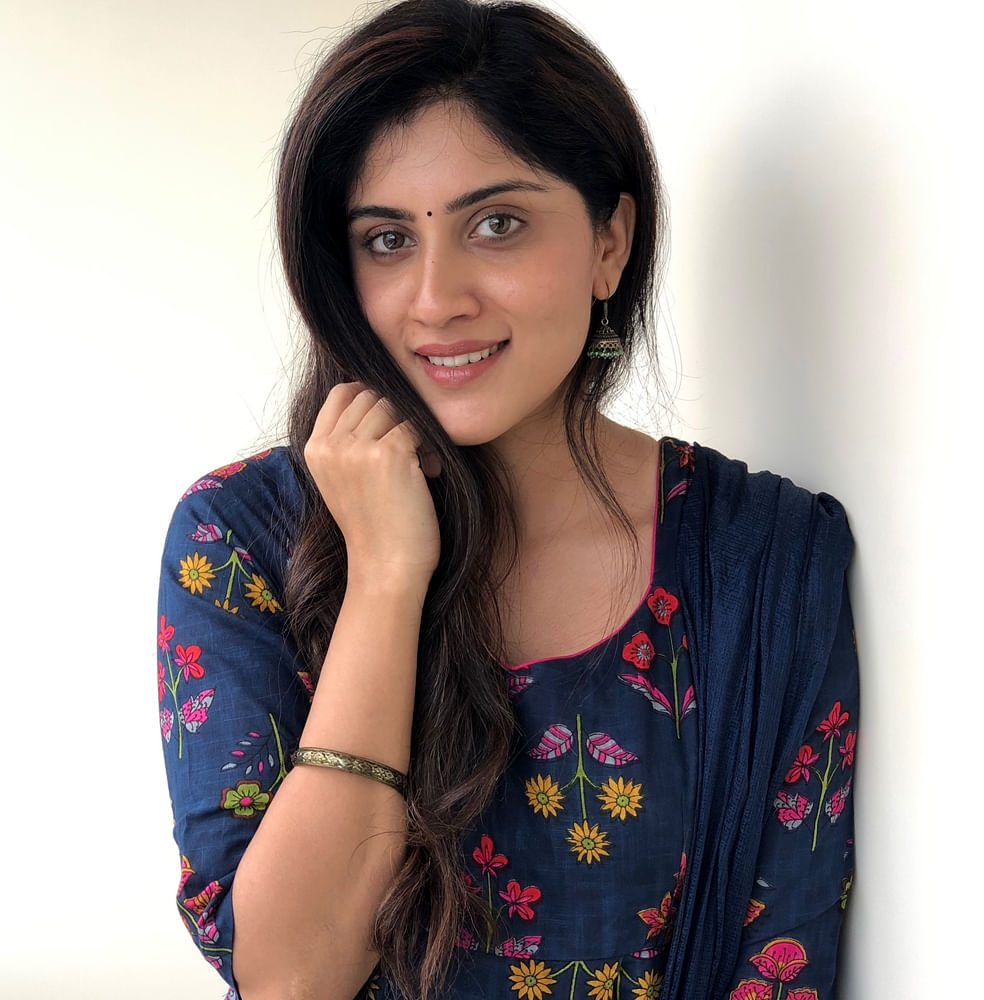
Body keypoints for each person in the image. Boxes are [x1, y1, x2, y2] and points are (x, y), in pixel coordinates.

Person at [157, 1, 858, 999]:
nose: (435, 297)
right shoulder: (242, 543)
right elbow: (290, 980)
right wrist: (385, 580)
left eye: (496, 224)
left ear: (610, 242)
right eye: (386, 239)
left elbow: (782, 961)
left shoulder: (761, 557)